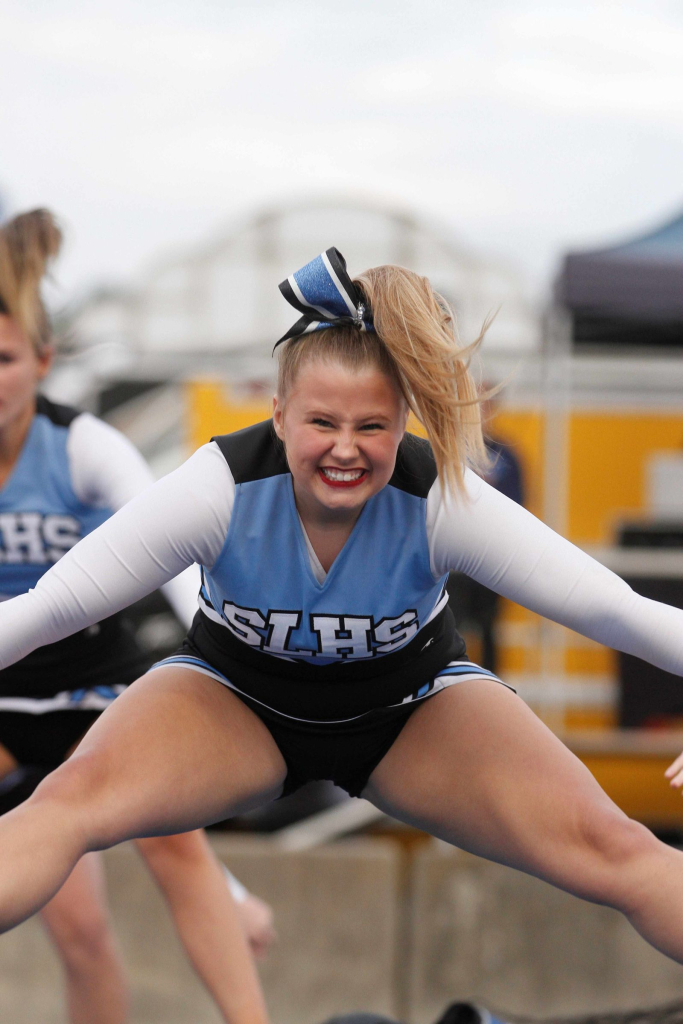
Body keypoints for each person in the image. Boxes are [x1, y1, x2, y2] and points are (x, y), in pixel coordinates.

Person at [1, 243, 683, 971]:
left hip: (410, 709)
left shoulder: (441, 500)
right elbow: (49, 608)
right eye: (322, 423)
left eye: (372, 427)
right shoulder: (215, 488)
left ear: (403, 425)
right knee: (64, 803)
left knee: (618, 850)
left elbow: (616, 610)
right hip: (234, 704)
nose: (345, 452)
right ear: (277, 413)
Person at [0, 209, 273, 1024]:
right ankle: (236, 894)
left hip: (94, 689)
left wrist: (227, 659)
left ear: (43, 362)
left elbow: (181, 554)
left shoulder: (83, 448)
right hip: (7, 698)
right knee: (79, 928)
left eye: (5, 358)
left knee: (168, 842)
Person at [447, 389, 525, 673]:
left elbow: (519, 506)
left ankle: (492, 686)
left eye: (485, 404)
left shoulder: (508, 455)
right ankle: (450, 683)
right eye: (473, 404)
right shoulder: (449, 450)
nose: (479, 411)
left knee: (488, 627)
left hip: (494, 557)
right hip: (454, 558)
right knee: (451, 626)